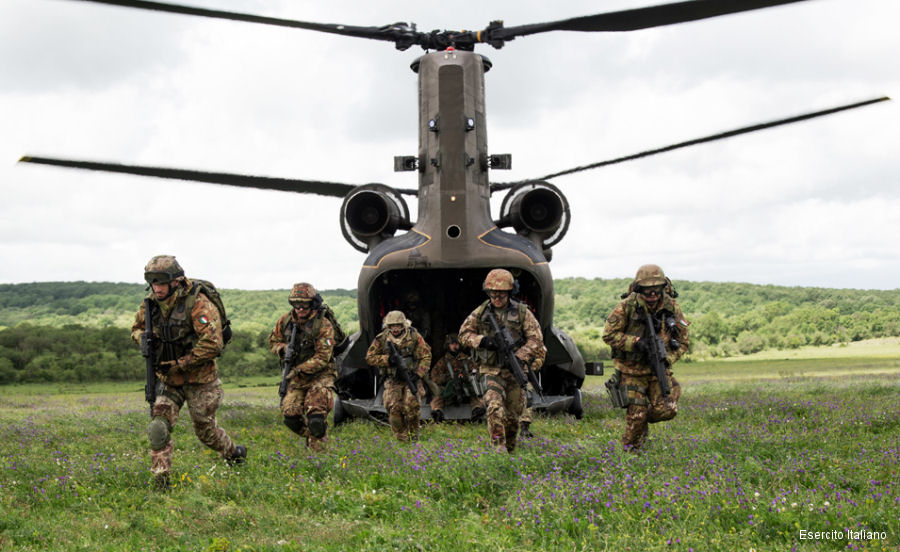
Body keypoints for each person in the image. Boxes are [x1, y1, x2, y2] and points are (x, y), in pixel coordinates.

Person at [131, 255, 246, 490]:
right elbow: (137, 328)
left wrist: (182, 363)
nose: (157, 288)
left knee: (206, 432)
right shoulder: (150, 304)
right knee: (158, 428)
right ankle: (161, 480)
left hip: (200, 379)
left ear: (176, 281)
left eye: (162, 282)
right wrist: (142, 338)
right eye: (153, 282)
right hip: (168, 379)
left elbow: (213, 342)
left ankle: (234, 453)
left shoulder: (198, 303)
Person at [602, 264, 690, 452]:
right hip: (631, 370)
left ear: (663, 287)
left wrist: (668, 358)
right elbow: (608, 335)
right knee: (636, 416)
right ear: (638, 289)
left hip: (658, 367)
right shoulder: (626, 307)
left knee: (667, 410)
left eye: (656, 289)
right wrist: (635, 342)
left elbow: (683, 341)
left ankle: (642, 421)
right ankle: (629, 455)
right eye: (647, 290)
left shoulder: (671, 307)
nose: (652, 294)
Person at [459, 269, 543, 453]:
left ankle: (509, 451)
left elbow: (536, 339)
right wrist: (483, 341)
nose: (496, 299)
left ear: (510, 293)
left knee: (512, 418)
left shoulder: (522, 312)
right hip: (491, 370)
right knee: (494, 407)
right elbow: (464, 334)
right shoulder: (481, 312)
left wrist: (519, 356)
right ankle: (498, 451)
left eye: (501, 295)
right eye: (493, 294)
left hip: (514, 370)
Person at [268, 283, 337, 453]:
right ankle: (314, 435)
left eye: (304, 305)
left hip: (321, 375)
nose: (299, 309)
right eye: (296, 305)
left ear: (312, 304)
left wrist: (299, 369)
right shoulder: (285, 321)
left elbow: (322, 358)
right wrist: (283, 349)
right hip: (296, 376)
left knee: (316, 418)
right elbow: (273, 341)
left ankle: (318, 456)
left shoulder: (323, 325)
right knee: (290, 416)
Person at [365, 310, 432, 442]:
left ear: (403, 325)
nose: (395, 329)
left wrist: (418, 374)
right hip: (393, 379)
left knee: (412, 405)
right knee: (394, 409)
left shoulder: (414, 336)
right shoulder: (382, 338)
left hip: (411, 377)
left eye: (398, 326)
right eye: (392, 326)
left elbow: (426, 356)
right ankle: (401, 438)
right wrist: (388, 360)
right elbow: (369, 358)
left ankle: (413, 435)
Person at [428, 333, 486, 423]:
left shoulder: (467, 360)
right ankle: (438, 412)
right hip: (450, 390)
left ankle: (477, 411)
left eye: (457, 344)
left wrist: (465, 376)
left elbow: (476, 372)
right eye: (452, 344)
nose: (455, 346)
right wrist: (448, 378)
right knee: (437, 397)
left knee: (476, 395)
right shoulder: (443, 361)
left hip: (465, 388)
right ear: (448, 345)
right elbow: (434, 377)